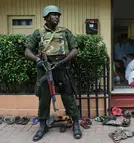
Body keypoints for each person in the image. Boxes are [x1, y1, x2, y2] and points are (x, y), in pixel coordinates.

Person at [24, 5, 82, 141]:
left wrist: (63, 62)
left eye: (58, 15)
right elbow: (27, 51)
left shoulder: (65, 32)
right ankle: (42, 125)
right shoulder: (38, 33)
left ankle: (76, 124)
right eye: (54, 14)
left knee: (68, 97)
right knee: (44, 99)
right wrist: (37, 59)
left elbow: (74, 50)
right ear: (46, 17)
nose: (57, 17)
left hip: (62, 69)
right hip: (45, 69)